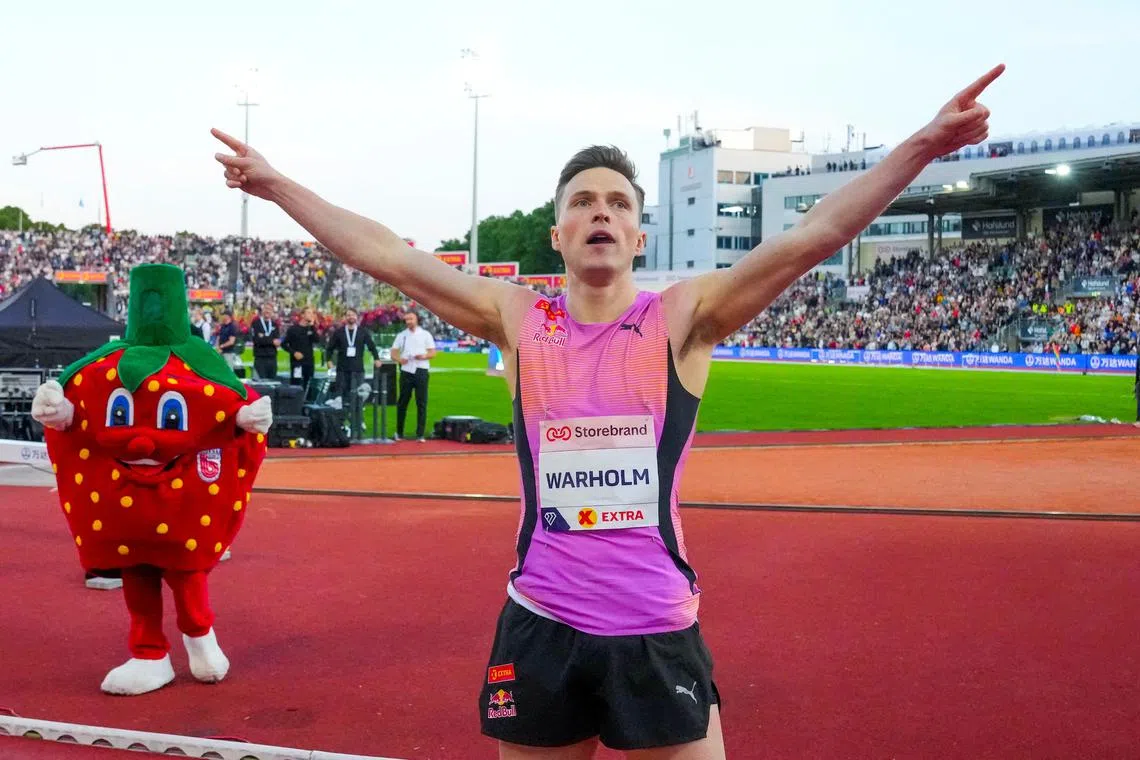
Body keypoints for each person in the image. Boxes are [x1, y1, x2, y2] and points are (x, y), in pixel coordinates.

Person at [212, 63, 1001, 759]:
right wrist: (275, 183)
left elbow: (814, 234)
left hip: (655, 627)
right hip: (541, 622)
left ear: (636, 232)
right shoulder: (518, 318)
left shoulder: (685, 317)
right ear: (558, 233)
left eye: (618, 203)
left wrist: (922, 147)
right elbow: (383, 253)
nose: (601, 212)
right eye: (583, 202)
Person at [324, 308, 382, 435]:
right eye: (348, 315)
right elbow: (329, 348)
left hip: (358, 370)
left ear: (357, 317)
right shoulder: (339, 332)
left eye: (353, 315)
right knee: (342, 396)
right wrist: (328, 360)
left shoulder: (362, 332)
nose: (351, 317)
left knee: (359, 397)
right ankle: (341, 422)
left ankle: (359, 421)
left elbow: (371, 346)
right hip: (342, 370)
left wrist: (377, 358)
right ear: (345, 317)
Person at [391, 309, 436, 441]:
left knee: (421, 402)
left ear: (417, 319)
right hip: (406, 370)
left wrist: (424, 356)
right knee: (402, 402)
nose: (409, 322)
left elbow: (433, 352)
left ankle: (420, 434)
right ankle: (399, 432)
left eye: (411, 319)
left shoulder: (425, 334)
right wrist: (400, 360)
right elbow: (393, 352)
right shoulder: (401, 335)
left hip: (421, 369)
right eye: (407, 319)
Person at [282, 306, 320, 391]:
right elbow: (284, 344)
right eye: (309, 313)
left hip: (309, 362)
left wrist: (312, 327)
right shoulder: (293, 329)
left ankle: (306, 402)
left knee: (308, 386)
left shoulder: (311, 328)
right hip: (297, 363)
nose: (311, 315)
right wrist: (294, 353)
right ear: (302, 315)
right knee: (296, 385)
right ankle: (295, 403)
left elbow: (317, 340)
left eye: (312, 313)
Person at [249, 304, 281, 380]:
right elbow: (257, 340)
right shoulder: (256, 323)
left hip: (272, 358)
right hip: (260, 357)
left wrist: (264, 337)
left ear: (272, 312)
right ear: (262, 311)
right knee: (260, 383)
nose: (267, 311)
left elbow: (277, 341)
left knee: (272, 382)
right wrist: (271, 341)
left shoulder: (275, 324)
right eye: (265, 309)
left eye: (269, 309)